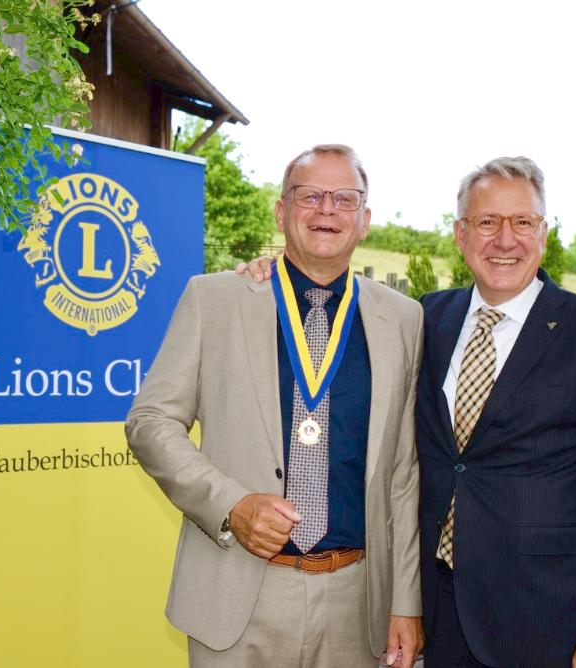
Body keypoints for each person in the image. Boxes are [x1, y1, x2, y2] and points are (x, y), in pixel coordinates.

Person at [126, 144, 424, 667]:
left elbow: (403, 475)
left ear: (365, 220)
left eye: (345, 198)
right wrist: (231, 505)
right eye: (310, 195)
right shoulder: (214, 299)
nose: (327, 209)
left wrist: (405, 601)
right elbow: (150, 422)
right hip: (239, 593)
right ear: (281, 211)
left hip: (357, 604)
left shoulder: (403, 319)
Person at [416, 157, 576, 667]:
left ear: (543, 233)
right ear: (461, 234)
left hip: (552, 619)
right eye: (487, 222)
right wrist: (266, 277)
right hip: (439, 610)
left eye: (522, 222)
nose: (505, 239)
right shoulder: (426, 317)